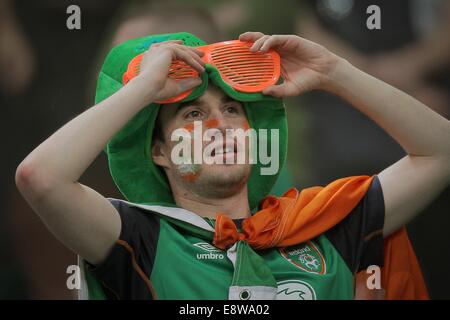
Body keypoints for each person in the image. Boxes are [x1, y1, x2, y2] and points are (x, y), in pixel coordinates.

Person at [16, 31, 450, 299]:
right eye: (193, 115)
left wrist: (335, 72)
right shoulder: (139, 237)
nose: (219, 125)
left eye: (232, 110)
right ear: (159, 152)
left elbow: (441, 151)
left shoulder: (327, 225)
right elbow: (41, 178)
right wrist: (146, 88)